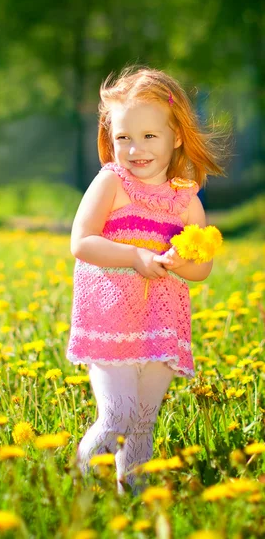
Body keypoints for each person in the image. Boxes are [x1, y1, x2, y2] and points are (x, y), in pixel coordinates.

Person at [65, 65, 228, 496]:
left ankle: (133, 495)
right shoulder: (111, 183)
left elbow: (202, 268)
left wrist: (178, 260)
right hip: (112, 318)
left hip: (161, 322)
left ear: (176, 136)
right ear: (110, 136)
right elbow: (82, 242)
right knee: (116, 415)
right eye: (123, 137)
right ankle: (75, 493)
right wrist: (134, 255)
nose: (135, 149)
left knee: (141, 422)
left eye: (149, 136)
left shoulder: (185, 199)